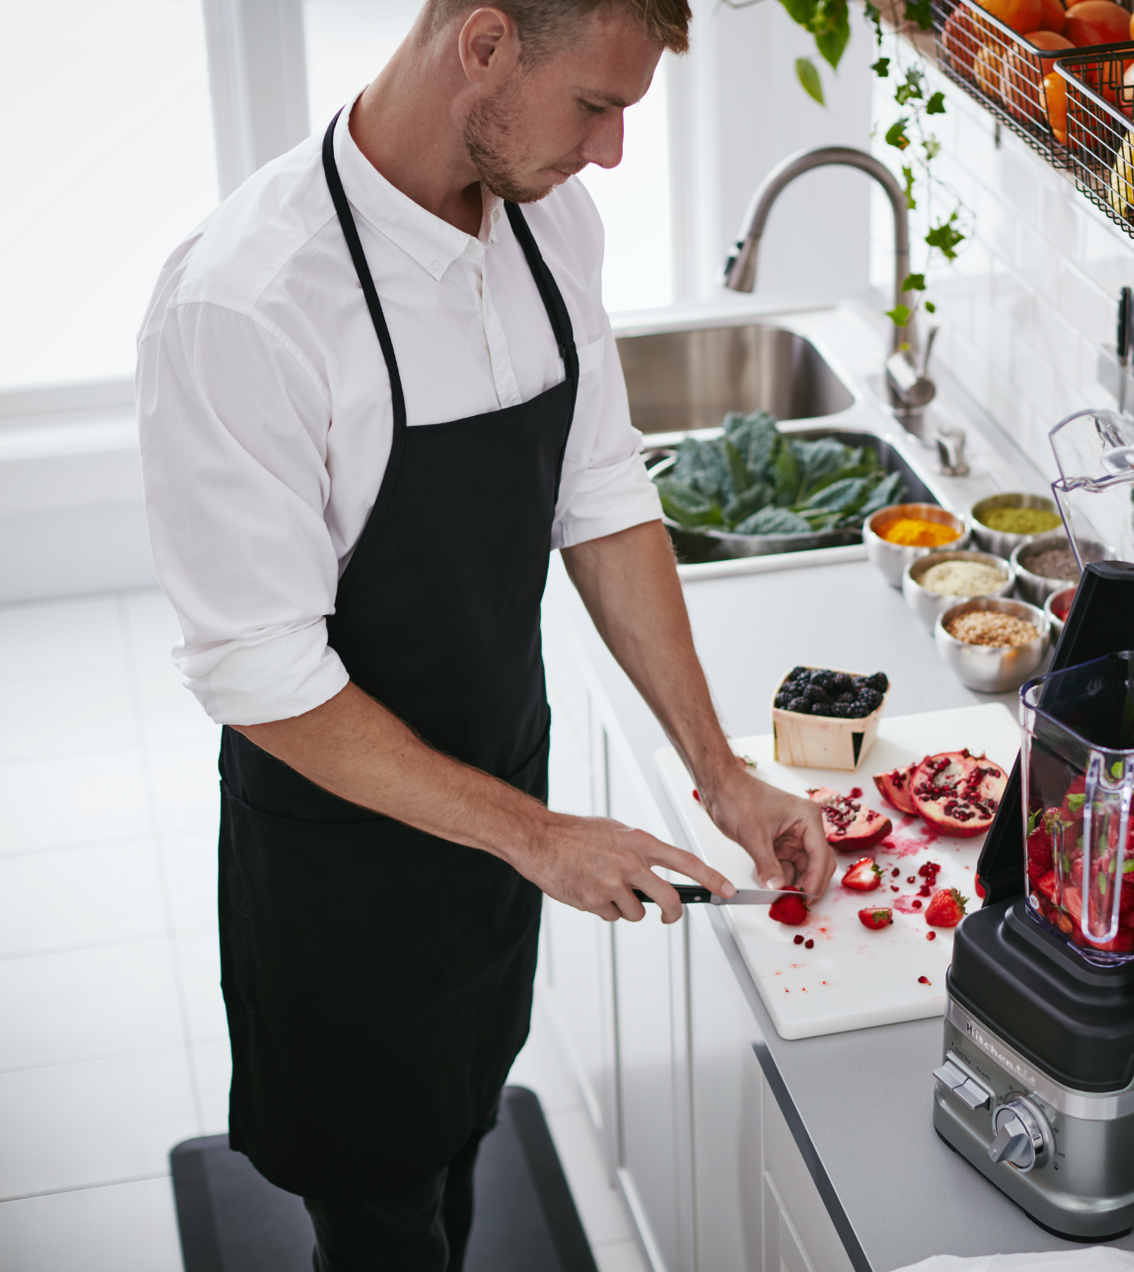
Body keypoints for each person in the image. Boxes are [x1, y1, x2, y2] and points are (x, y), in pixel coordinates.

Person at [135, 2, 833, 1266]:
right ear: (486, 44)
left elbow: (606, 500)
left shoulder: (550, 222)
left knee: (458, 1128)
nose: (614, 151)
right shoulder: (245, 302)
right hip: (343, 864)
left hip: (505, 808)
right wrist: (538, 836)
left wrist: (720, 776)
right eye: (596, 106)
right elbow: (262, 676)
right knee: (376, 1208)